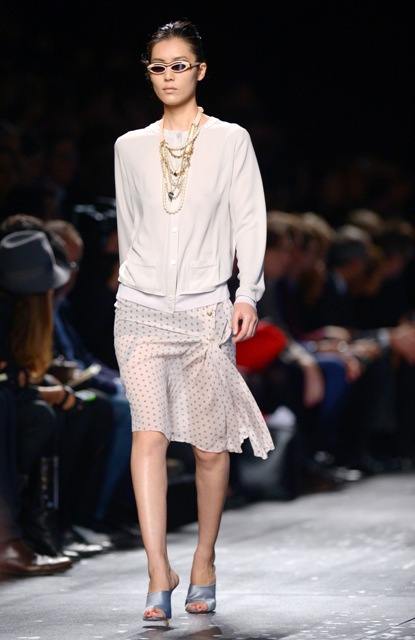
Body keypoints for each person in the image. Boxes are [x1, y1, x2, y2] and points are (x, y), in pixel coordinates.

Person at [113, 19, 274, 623]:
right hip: (140, 310)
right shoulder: (129, 147)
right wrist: (132, 280)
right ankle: (158, 569)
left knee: (209, 448)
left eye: (179, 65)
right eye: (157, 66)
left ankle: (203, 559)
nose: (168, 76)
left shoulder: (231, 140)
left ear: (200, 71)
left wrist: (247, 292)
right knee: (148, 436)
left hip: (207, 309)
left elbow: (250, 219)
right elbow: (129, 224)